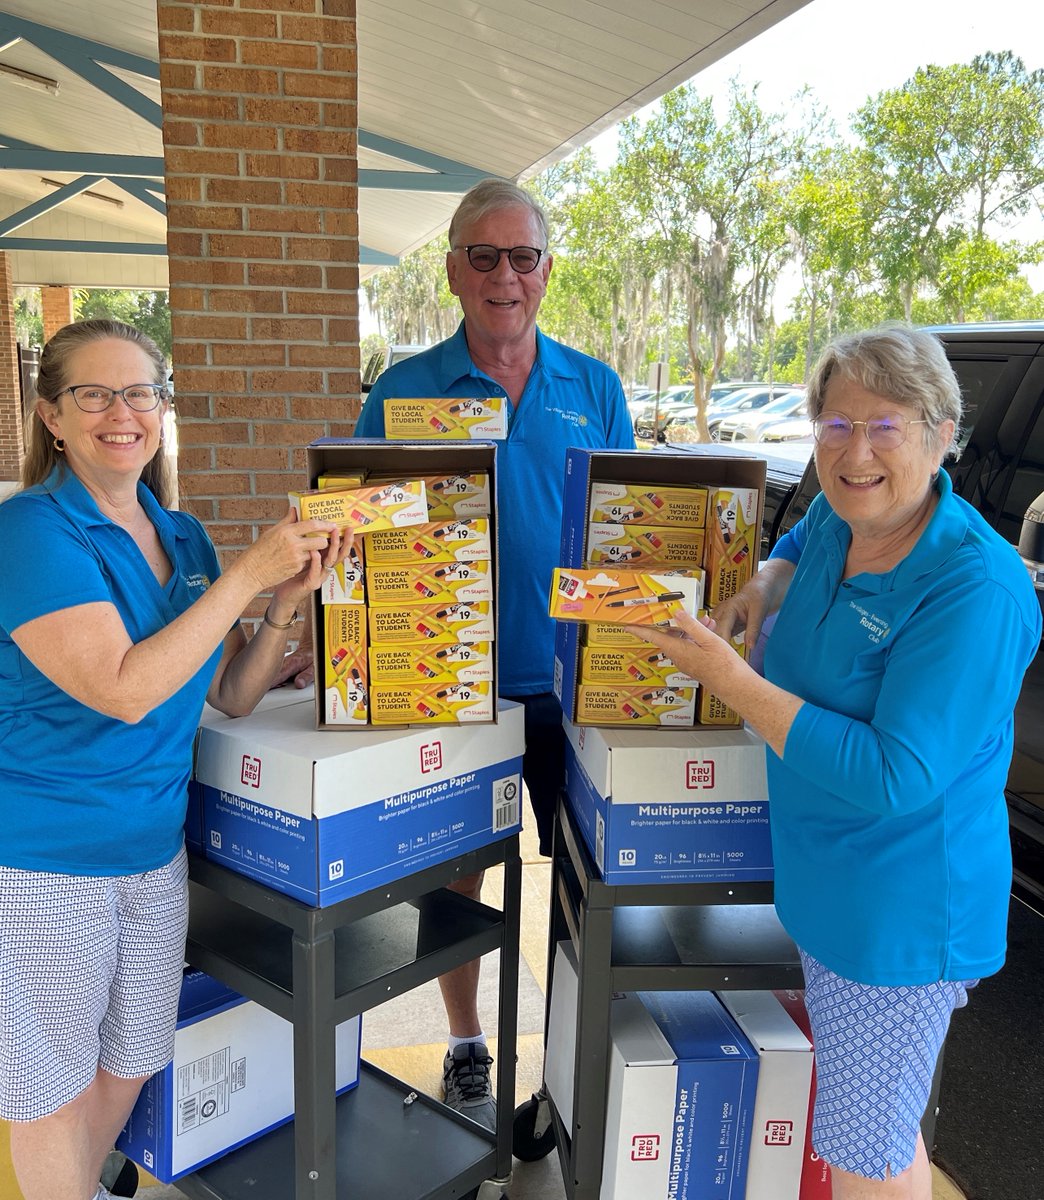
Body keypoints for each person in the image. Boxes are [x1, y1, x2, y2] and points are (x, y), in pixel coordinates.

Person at [629, 324, 1040, 1200]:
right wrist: (759, 590)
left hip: (896, 916)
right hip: (834, 890)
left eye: (884, 426)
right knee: (881, 1129)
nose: (855, 452)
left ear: (941, 433)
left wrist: (728, 679)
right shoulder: (843, 510)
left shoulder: (974, 587)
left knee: (862, 1151)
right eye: (834, 424)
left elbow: (897, 774)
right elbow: (795, 542)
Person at [0, 319, 348, 1200]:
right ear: (53, 416)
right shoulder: (31, 533)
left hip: (156, 850)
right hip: (47, 863)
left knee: (131, 1058)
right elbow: (122, 687)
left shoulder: (181, 533)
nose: (124, 413)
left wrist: (279, 605)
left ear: (163, 410)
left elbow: (225, 691)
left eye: (141, 393)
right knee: (49, 1093)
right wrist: (245, 573)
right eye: (95, 394)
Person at [354, 178, 636, 1128]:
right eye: (484, 255)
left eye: (523, 257)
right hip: (451, 689)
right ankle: (469, 1039)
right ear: (452, 272)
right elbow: (363, 534)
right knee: (456, 881)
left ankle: (561, 1061)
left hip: (569, 688)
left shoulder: (593, 387)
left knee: (582, 891)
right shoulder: (403, 389)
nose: (504, 275)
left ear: (547, 272)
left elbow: (624, 540)